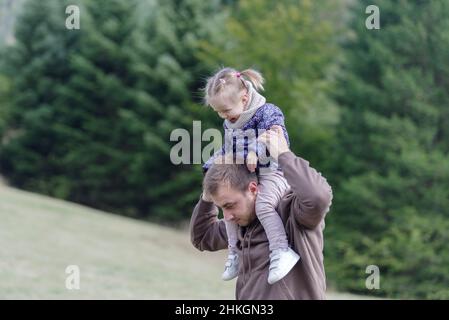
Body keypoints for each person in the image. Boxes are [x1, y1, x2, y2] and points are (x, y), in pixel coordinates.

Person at [190, 125, 333, 299]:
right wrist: (207, 194)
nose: (227, 217)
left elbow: (318, 197)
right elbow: (202, 237)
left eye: (229, 205)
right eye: (222, 208)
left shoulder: (292, 213)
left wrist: (284, 155)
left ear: (252, 188)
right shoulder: (240, 222)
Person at [201, 67, 299, 284]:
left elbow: (275, 135)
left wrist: (255, 150)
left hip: (274, 172)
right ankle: (234, 253)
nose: (224, 116)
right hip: (251, 175)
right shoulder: (231, 121)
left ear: (244, 98)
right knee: (228, 211)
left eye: (226, 110)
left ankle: (281, 250)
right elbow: (229, 148)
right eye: (219, 112)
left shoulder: (268, 112)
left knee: (263, 206)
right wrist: (212, 162)